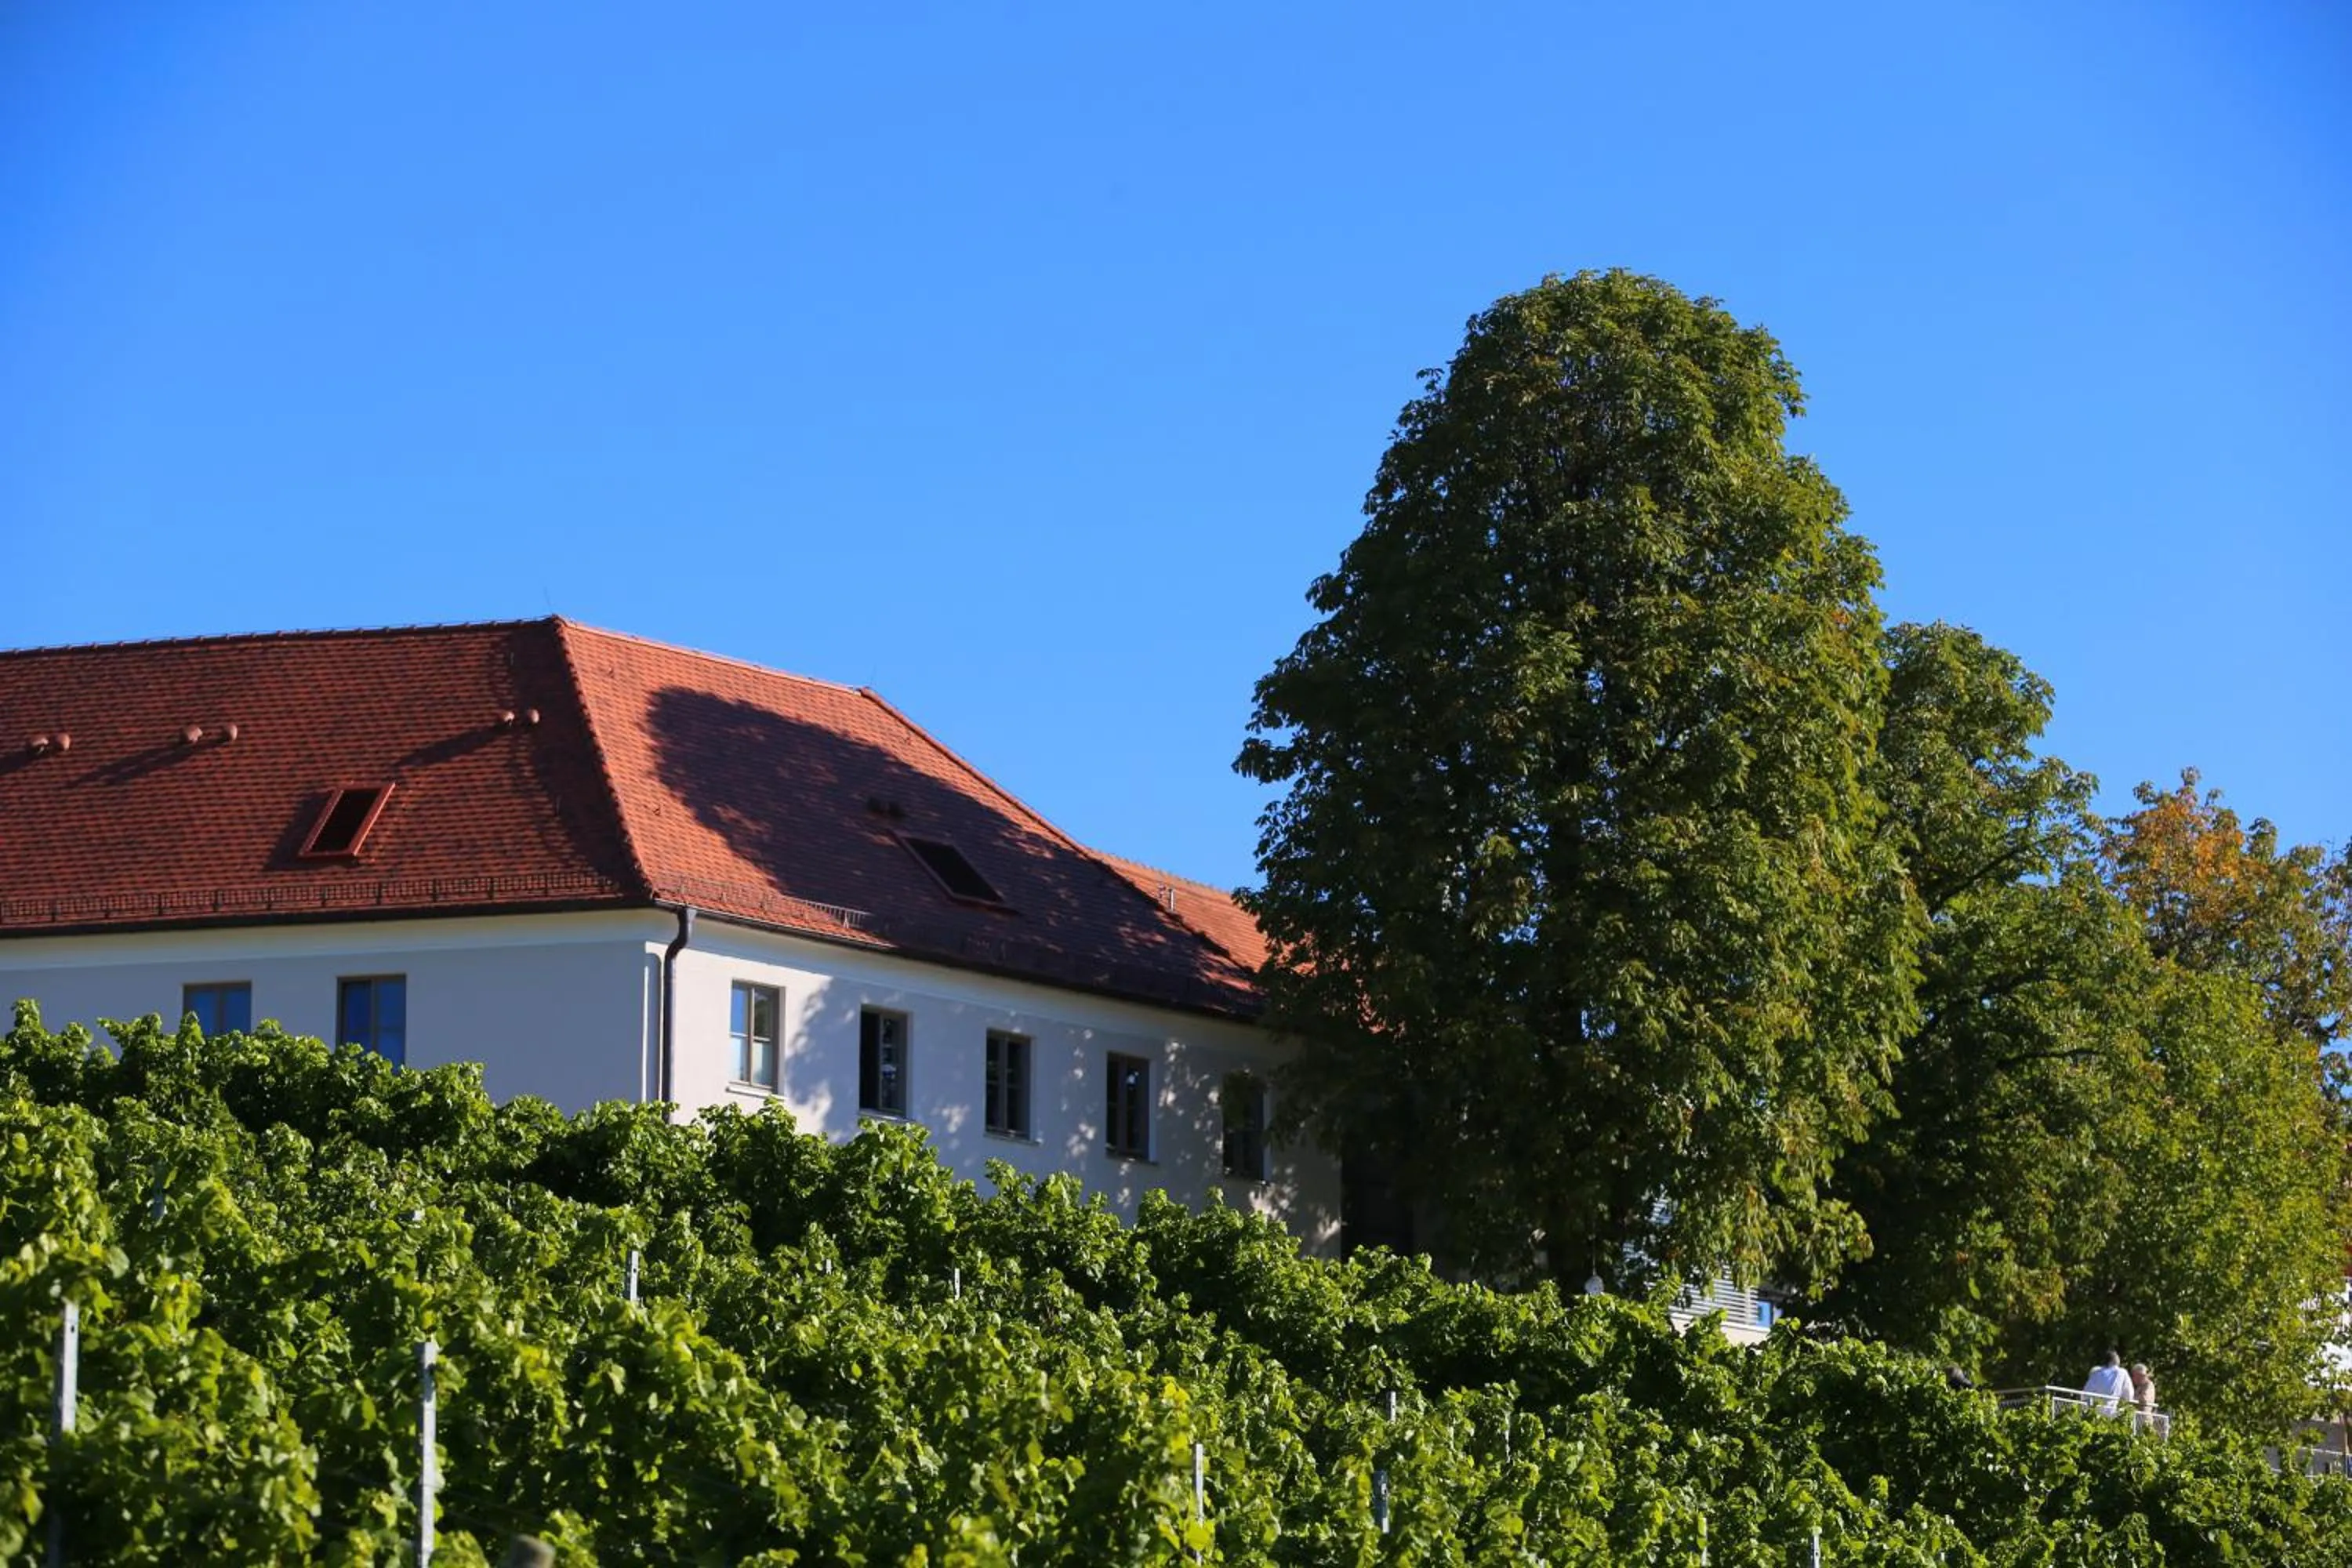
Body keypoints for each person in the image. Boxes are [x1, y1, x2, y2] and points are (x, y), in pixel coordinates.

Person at [2082, 1350, 2133, 1415]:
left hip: (2097, 1411)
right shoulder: (2122, 1373)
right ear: (2114, 1360)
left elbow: (2087, 1392)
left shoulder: (2097, 1373)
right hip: (2113, 1410)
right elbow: (2129, 1393)